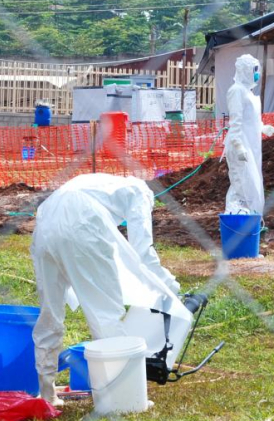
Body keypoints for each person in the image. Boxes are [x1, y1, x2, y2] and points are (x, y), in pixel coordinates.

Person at [30, 173, 191, 404]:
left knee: (49, 314)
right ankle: (123, 396)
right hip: (82, 223)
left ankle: (46, 394)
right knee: (106, 313)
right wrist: (170, 286)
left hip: (46, 222)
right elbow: (142, 251)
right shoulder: (141, 193)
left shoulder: (99, 183)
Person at [224, 54, 274, 216]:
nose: (257, 74)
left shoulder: (248, 92)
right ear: (244, 70)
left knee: (252, 185)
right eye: (254, 70)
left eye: (257, 70)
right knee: (241, 186)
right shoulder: (236, 91)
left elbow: (251, 120)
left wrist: (263, 127)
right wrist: (238, 145)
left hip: (251, 146)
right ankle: (236, 220)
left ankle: (252, 219)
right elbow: (236, 122)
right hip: (240, 146)